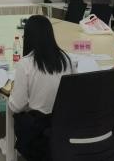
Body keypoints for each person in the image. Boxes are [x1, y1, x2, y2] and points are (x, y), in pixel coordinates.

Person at [8, 15, 75, 160]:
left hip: (37, 132)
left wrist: (13, 89)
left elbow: (16, 106)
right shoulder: (67, 59)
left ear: (28, 37)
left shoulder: (25, 64)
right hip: (64, 126)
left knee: (16, 112)